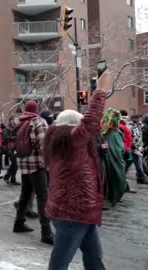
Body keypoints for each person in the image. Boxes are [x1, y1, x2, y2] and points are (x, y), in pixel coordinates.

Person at [45, 73, 111, 270]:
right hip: (71, 212)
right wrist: (100, 91)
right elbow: (90, 123)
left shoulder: (61, 142)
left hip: (81, 210)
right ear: (74, 127)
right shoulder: (71, 141)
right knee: (61, 261)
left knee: (94, 256)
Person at [13, 101, 53, 245]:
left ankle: (19, 223)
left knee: (25, 194)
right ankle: (46, 232)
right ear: (36, 110)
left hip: (24, 164)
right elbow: (44, 145)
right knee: (43, 197)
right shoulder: (39, 122)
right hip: (37, 164)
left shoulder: (22, 123)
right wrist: (49, 163)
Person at [101, 108, 127, 207]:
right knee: (111, 178)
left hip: (115, 160)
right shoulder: (107, 133)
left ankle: (113, 196)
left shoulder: (115, 133)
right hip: (109, 160)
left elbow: (119, 148)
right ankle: (110, 197)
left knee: (117, 177)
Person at [127, 114, 148, 184]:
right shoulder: (130, 126)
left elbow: (140, 136)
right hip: (133, 148)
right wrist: (133, 147)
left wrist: (142, 146)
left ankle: (140, 178)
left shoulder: (138, 125)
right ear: (134, 118)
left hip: (139, 148)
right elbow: (130, 137)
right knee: (133, 163)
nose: (139, 120)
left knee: (137, 163)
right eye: (138, 118)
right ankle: (141, 178)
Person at [2, 117, 20, 185]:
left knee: (14, 164)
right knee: (14, 164)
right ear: (11, 120)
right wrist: (14, 137)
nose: (17, 120)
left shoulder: (15, 128)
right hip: (9, 148)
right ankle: (7, 177)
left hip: (14, 148)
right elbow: (5, 138)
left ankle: (12, 179)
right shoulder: (7, 128)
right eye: (15, 119)